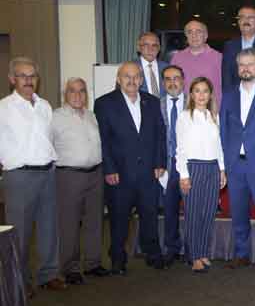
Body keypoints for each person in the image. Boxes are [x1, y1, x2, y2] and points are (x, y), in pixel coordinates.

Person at [0, 57, 67, 292]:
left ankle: (49, 274)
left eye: (32, 76)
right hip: (19, 176)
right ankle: (19, 281)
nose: (28, 80)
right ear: (12, 79)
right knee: (19, 231)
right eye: (23, 76)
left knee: (49, 227)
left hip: (47, 173)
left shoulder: (45, 106)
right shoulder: (3, 107)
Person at [94, 61, 167, 275]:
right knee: (119, 219)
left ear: (141, 80)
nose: (132, 80)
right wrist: (109, 168)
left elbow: (160, 135)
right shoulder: (104, 103)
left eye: (136, 76)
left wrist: (160, 162)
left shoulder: (152, 102)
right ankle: (118, 258)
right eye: (127, 76)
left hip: (148, 173)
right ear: (118, 79)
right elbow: (103, 140)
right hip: (119, 173)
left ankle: (153, 254)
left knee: (150, 216)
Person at [219, 48, 255, 272]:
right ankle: (241, 254)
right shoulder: (228, 95)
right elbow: (223, 130)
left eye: (250, 64)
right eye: (242, 64)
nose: (246, 68)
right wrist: (224, 165)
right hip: (235, 165)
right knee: (238, 212)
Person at [52, 77, 106, 285]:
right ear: (64, 94)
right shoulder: (55, 117)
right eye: (72, 90)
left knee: (95, 221)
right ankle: (70, 268)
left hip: (95, 174)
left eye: (82, 91)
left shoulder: (92, 116)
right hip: (69, 175)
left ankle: (92, 263)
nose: (77, 95)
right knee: (69, 223)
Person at [175, 77, 226, 273]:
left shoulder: (214, 116)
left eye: (205, 91)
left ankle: (203, 252)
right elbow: (180, 149)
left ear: (211, 94)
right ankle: (194, 256)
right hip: (193, 168)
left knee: (208, 213)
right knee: (193, 214)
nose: (201, 95)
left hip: (212, 168)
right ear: (191, 94)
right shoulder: (184, 117)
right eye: (197, 91)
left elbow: (218, 146)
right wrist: (183, 174)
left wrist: (222, 170)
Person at [159, 65, 186, 265]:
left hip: (190, 166)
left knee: (193, 210)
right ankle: (172, 248)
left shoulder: (195, 102)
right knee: (169, 210)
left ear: (183, 80)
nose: (172, 83)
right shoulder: (156, 105)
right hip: (166, 166)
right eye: (168, 79)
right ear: (163, 83)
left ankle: (194, 248)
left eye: (176, 78)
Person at [170, 20, 223, 105]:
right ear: (186, 36)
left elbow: (225, 87)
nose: (194, 35)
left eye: (198, 31)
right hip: (184, 109)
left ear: (206, 36)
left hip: (210, 109)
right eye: (190, 32)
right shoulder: (177, 58)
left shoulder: (219, 58)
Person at [134, 31, 168, 97]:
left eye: (154, 45)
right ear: (138, 48)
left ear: (159, 48)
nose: (150, 49)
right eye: (146, 45)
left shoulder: (167, 68)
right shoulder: (130, 68)